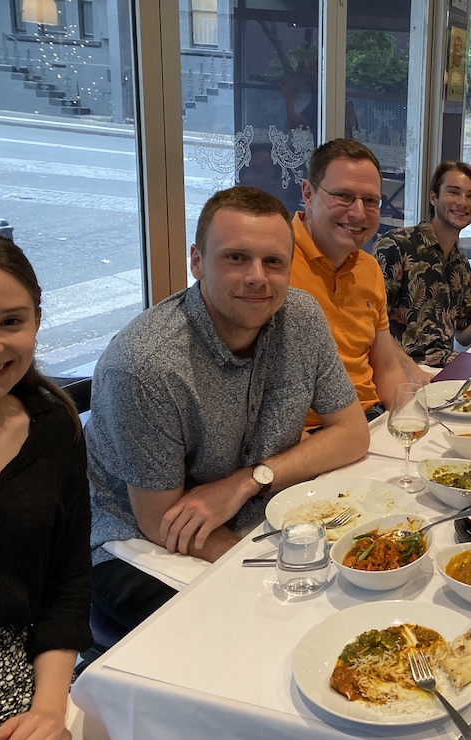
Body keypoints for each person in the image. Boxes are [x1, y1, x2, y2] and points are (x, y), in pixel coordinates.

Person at [87, 186, 368, 632]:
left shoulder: (302, 316)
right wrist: (284, 571)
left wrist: (248, 481)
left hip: (252, 511)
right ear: (197, 261)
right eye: (236, 257)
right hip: (141, 546)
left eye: (273, 261)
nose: (257, 276)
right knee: (266, 629)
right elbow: (162, 520)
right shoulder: (147, 365)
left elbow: (352, 433)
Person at [0, 228, 90, 739]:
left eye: (11, 321)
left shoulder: (53, 424)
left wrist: (50, 709)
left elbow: (67, 582)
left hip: (23, 672)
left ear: (36, 319)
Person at [290, 138, 434, 422]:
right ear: (308, 193)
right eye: (343, 196)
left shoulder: (368, 267)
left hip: (373, 419)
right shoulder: (272, 262)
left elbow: (386, 369)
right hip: (313, 434)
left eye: (370, 200)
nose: (358, 212)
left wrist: (408, 421)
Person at [374, 161, 471, 367]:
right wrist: (411, 372)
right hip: (400, 370)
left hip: (444, 367)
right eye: (454, 192)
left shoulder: (461, 264)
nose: (462, 202)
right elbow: (372, 326)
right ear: (433, 197)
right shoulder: (396, 245)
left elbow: (463, 333)